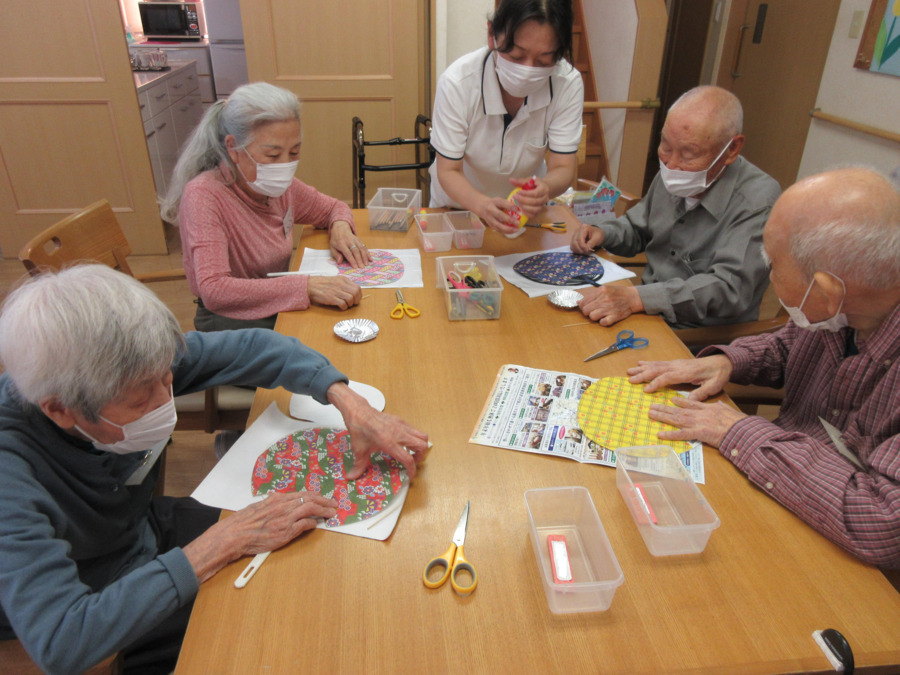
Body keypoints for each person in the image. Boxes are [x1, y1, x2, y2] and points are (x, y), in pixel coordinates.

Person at [0, 264, 429, 674]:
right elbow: (62, 641)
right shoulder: (10, 474)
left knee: (311, 560)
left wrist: (348, 401)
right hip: (101, 593)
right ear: (60, 409)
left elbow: (258, 348)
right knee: (272, 637)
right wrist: (221, 543)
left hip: (140, 529)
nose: (165, 401)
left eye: (167, 380)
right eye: (141, 401)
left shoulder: (128, 366)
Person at [627, 167, 900, 568]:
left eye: (772, 264)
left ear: (827, 291)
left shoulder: (834, 305)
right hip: (780, 488)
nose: (767, 275)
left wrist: (739, 431)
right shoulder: (839, 310)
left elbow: (882, 521)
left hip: (846, 561)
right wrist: (729, 361)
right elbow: (788, 344)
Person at [160, 82, 371, 332]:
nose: (285, 165)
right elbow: (214, 289)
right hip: (232, 321)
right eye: (272, 155)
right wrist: (306, 286)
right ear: (233, 148)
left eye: (294, 152)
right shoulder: (204, 195)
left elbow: (332, 208)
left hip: (277, 304)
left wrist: (340, 229)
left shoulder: (281, 187)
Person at [570, 85, 781, 328]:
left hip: (698, 335)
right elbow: (638, 227)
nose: (671, 164)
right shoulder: (674, 171)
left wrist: (639, 297)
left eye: (689, 154)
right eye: (666, 146)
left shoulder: (758, 200)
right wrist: (603, 233)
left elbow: (729, 289)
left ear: (732, 149)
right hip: (647, 313)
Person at [428, 0, 584, 234]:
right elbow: (448, 171)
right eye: (517, 56)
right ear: (492, 35)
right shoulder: (458, 83)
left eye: (544, 60)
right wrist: (482, 205)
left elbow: (563, 167)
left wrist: (546, 187)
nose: (528, 70)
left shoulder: (567, 84)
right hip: (458, 210)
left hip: (523, 216)